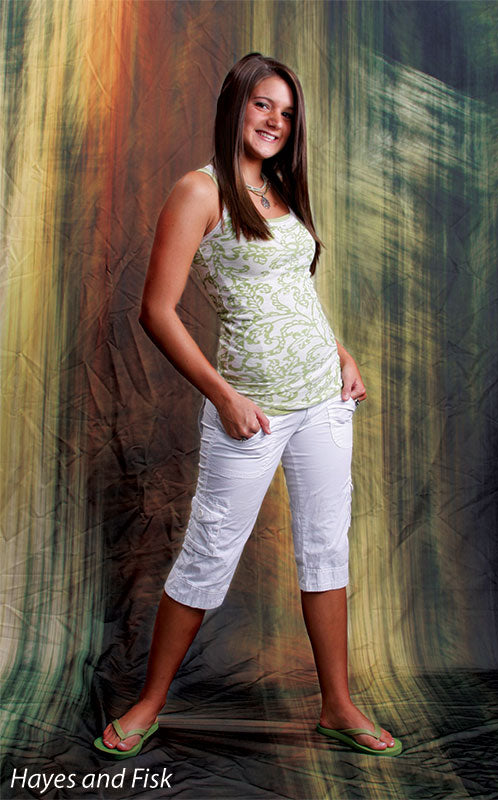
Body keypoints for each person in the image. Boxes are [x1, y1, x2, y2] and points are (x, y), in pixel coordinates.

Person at [94, 53, 401, 759]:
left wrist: (343, 354)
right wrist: (224, 395)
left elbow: (294, 293)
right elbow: (156, 311)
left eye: (287, 113)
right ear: (236, 105)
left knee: (325, 549)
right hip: (251, 411)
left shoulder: (281, 188)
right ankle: (147, 705)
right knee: (208, 553)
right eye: (264, 104)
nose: (275, 122)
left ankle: (338, 707)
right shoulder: (199, 191)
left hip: (325, 402)